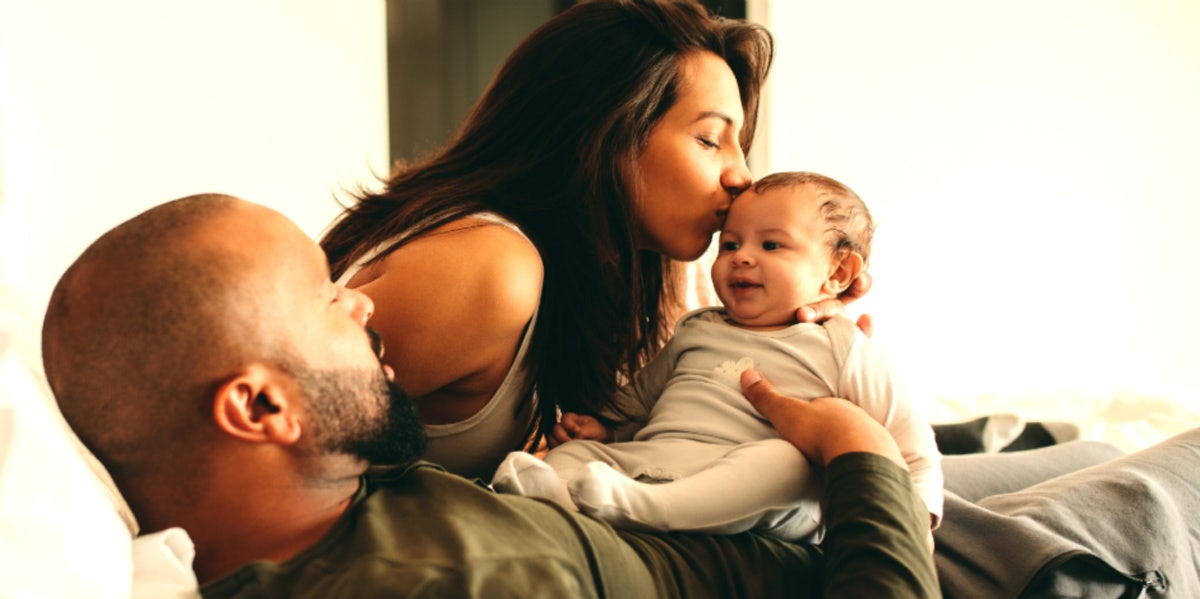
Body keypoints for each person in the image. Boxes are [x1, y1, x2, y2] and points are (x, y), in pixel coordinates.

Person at [41, 194, 940, 597]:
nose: (361, 299)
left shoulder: (339, 488)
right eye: (326, 296)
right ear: (260, 410)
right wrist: (852, 445)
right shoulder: (451, 586)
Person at [318, 0, 871, 481]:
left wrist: (784, 337)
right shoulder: (488, 267)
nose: (742, 176)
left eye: (740, 145)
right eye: (710, 139)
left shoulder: (613, 274)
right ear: (603, 133)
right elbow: (268, 446)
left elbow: (645, 448)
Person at [491, 171, 941, 544]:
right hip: (654, 461)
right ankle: (557, 496)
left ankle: (644, 509)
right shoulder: (698, 326)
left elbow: (911, 445)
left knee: (787, 464)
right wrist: (604, 426)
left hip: (752, 492)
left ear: (838, 272)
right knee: (582, 453)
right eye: (729, 245)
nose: (741, 258)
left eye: (770, 246)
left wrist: (915, 522)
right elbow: (641, 399)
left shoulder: (841, 346)